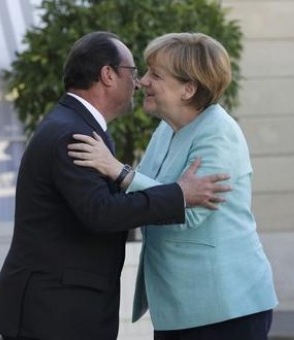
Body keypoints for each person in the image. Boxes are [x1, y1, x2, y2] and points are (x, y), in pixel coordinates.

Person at [0, 31, 230, 340]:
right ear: (107, 75)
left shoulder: (76, 125)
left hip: (61, 308)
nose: (140, 82)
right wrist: (179, 194)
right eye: (133, 72)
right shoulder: (72, 134)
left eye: (151, 74)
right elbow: (101, 213)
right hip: (54, 312)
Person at [68, 32, 278, 340]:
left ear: (189, 88)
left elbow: (188, 212)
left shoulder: (218, 133)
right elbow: (148, 194)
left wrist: (117, 169)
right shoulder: (166, 131)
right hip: (180, 305)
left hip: (223, 306)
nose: (142, 82)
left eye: (156, 74)